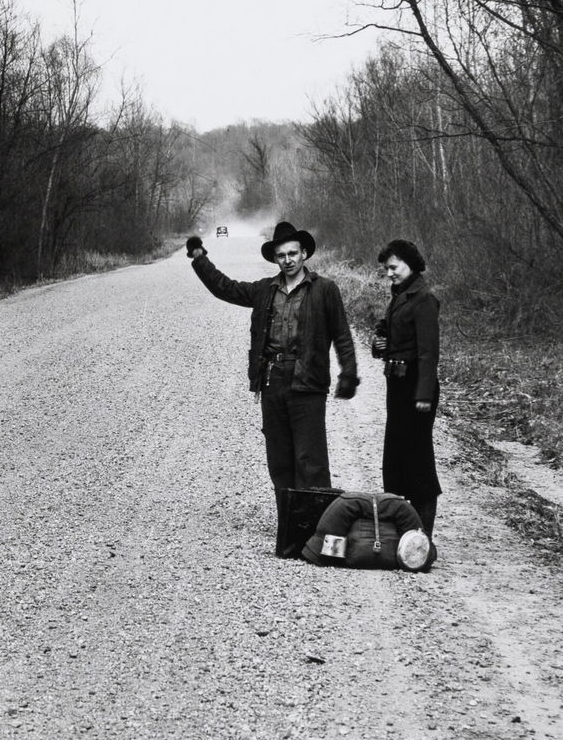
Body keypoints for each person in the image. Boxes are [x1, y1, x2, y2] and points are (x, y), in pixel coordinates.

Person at [185, 221, 360, 557]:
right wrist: (199, 258)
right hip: (272, 380)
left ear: (304, 253)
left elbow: (342, 334)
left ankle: (318, 532)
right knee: (279, 459)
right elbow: (225, 288)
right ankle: (290, 529)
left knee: (311, 459)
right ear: (275, 259)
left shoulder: (325, 289)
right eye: (282, 255)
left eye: (293, 253)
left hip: (308, 383)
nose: (288, 260)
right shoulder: (265, 290)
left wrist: (348, 373)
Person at [371, 239, 442, 536]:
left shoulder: (424, 299)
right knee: (397, 459)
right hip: (399, 387)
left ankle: (422, 538)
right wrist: (379, 344)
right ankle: (403, 533)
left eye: (393, 267)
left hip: (415, 389)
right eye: (386, 269)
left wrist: (424, 395)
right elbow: (395, 339)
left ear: (410, 264)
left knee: (419, 462)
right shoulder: (401, 295)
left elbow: (428, 351)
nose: (389, 273)